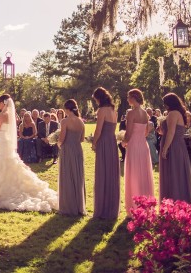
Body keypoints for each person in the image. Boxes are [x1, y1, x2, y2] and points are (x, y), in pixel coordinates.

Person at [0, 94, 58, 212]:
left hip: (1, 140)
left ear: (3, 103)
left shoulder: (1, 115)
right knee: (8, 162)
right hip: (7, 141)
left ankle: (0, 189)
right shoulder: (11, 115)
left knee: (1, 161)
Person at [122, 89, 155, 215]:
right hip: (143, 144)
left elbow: (129, 132)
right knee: (143, 174)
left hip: (134, 145)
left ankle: (135, 207)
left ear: (133, 98)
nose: (127, 99)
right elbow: (146, 132)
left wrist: (124, 141)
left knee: (134, 174)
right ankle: (145, 204)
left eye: (128, 97)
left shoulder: (131, 113)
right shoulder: (145, 113)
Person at [159, 92, 191, 204]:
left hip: (173, 146)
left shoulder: (173, 113)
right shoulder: (178, 113)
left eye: (165, 103)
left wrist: (165, 149)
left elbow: (171, 132)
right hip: (178, 145)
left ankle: (174, 200)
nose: (164, 106)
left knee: (173, 172)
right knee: (177, 172)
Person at [91, 87, 120, 220]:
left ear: (99, 98)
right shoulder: (114, 110)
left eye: (95, 99)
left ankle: (103, 208)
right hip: (112, 142)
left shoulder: (102, 110)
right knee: (111, 172)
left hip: (103, 141)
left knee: (102, 172)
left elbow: (98, 129)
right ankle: (111, 205)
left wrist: (94, 142)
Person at [58, 99, 86, 216]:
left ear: (67, 109)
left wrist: (58, 143)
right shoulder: (81, 121)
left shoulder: (65, 121)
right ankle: (79, 205)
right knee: (77, 176)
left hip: (67, 149)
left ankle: (68, 206)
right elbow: (82, 139)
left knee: (68, 175)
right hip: (78, 150)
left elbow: (62, 138)